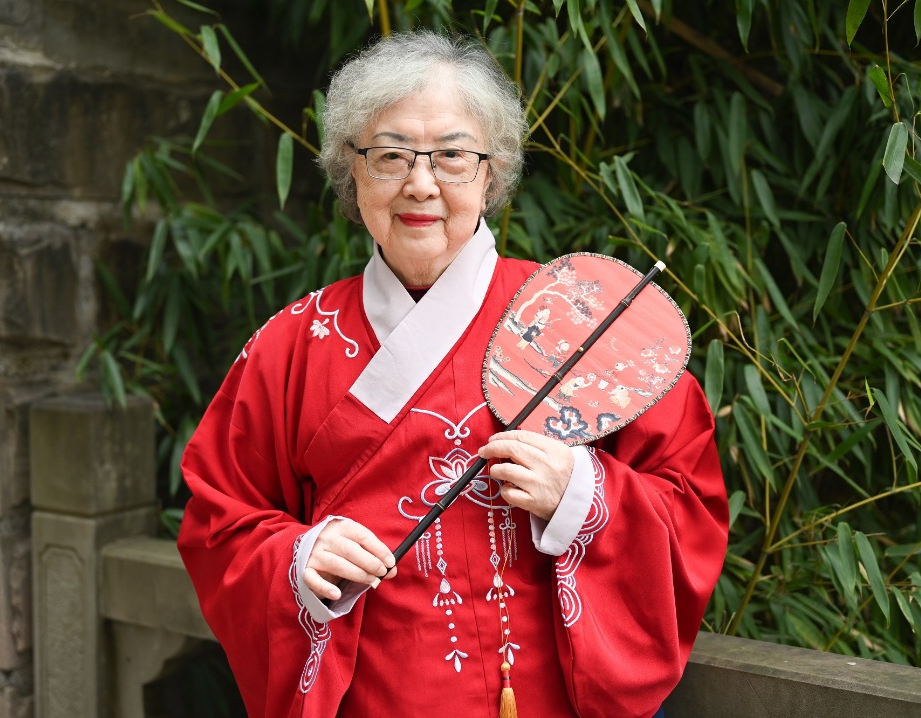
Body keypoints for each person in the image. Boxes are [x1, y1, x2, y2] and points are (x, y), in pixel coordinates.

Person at [178, 30, 728, 718]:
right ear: (352, 171)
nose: (420, 183)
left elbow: (692, 507)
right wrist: (297, 556)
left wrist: (583, 495)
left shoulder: (577, 320)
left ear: (491, 174)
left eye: (452, 157)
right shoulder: (289, 346)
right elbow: (216, 523)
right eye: (389, 156)